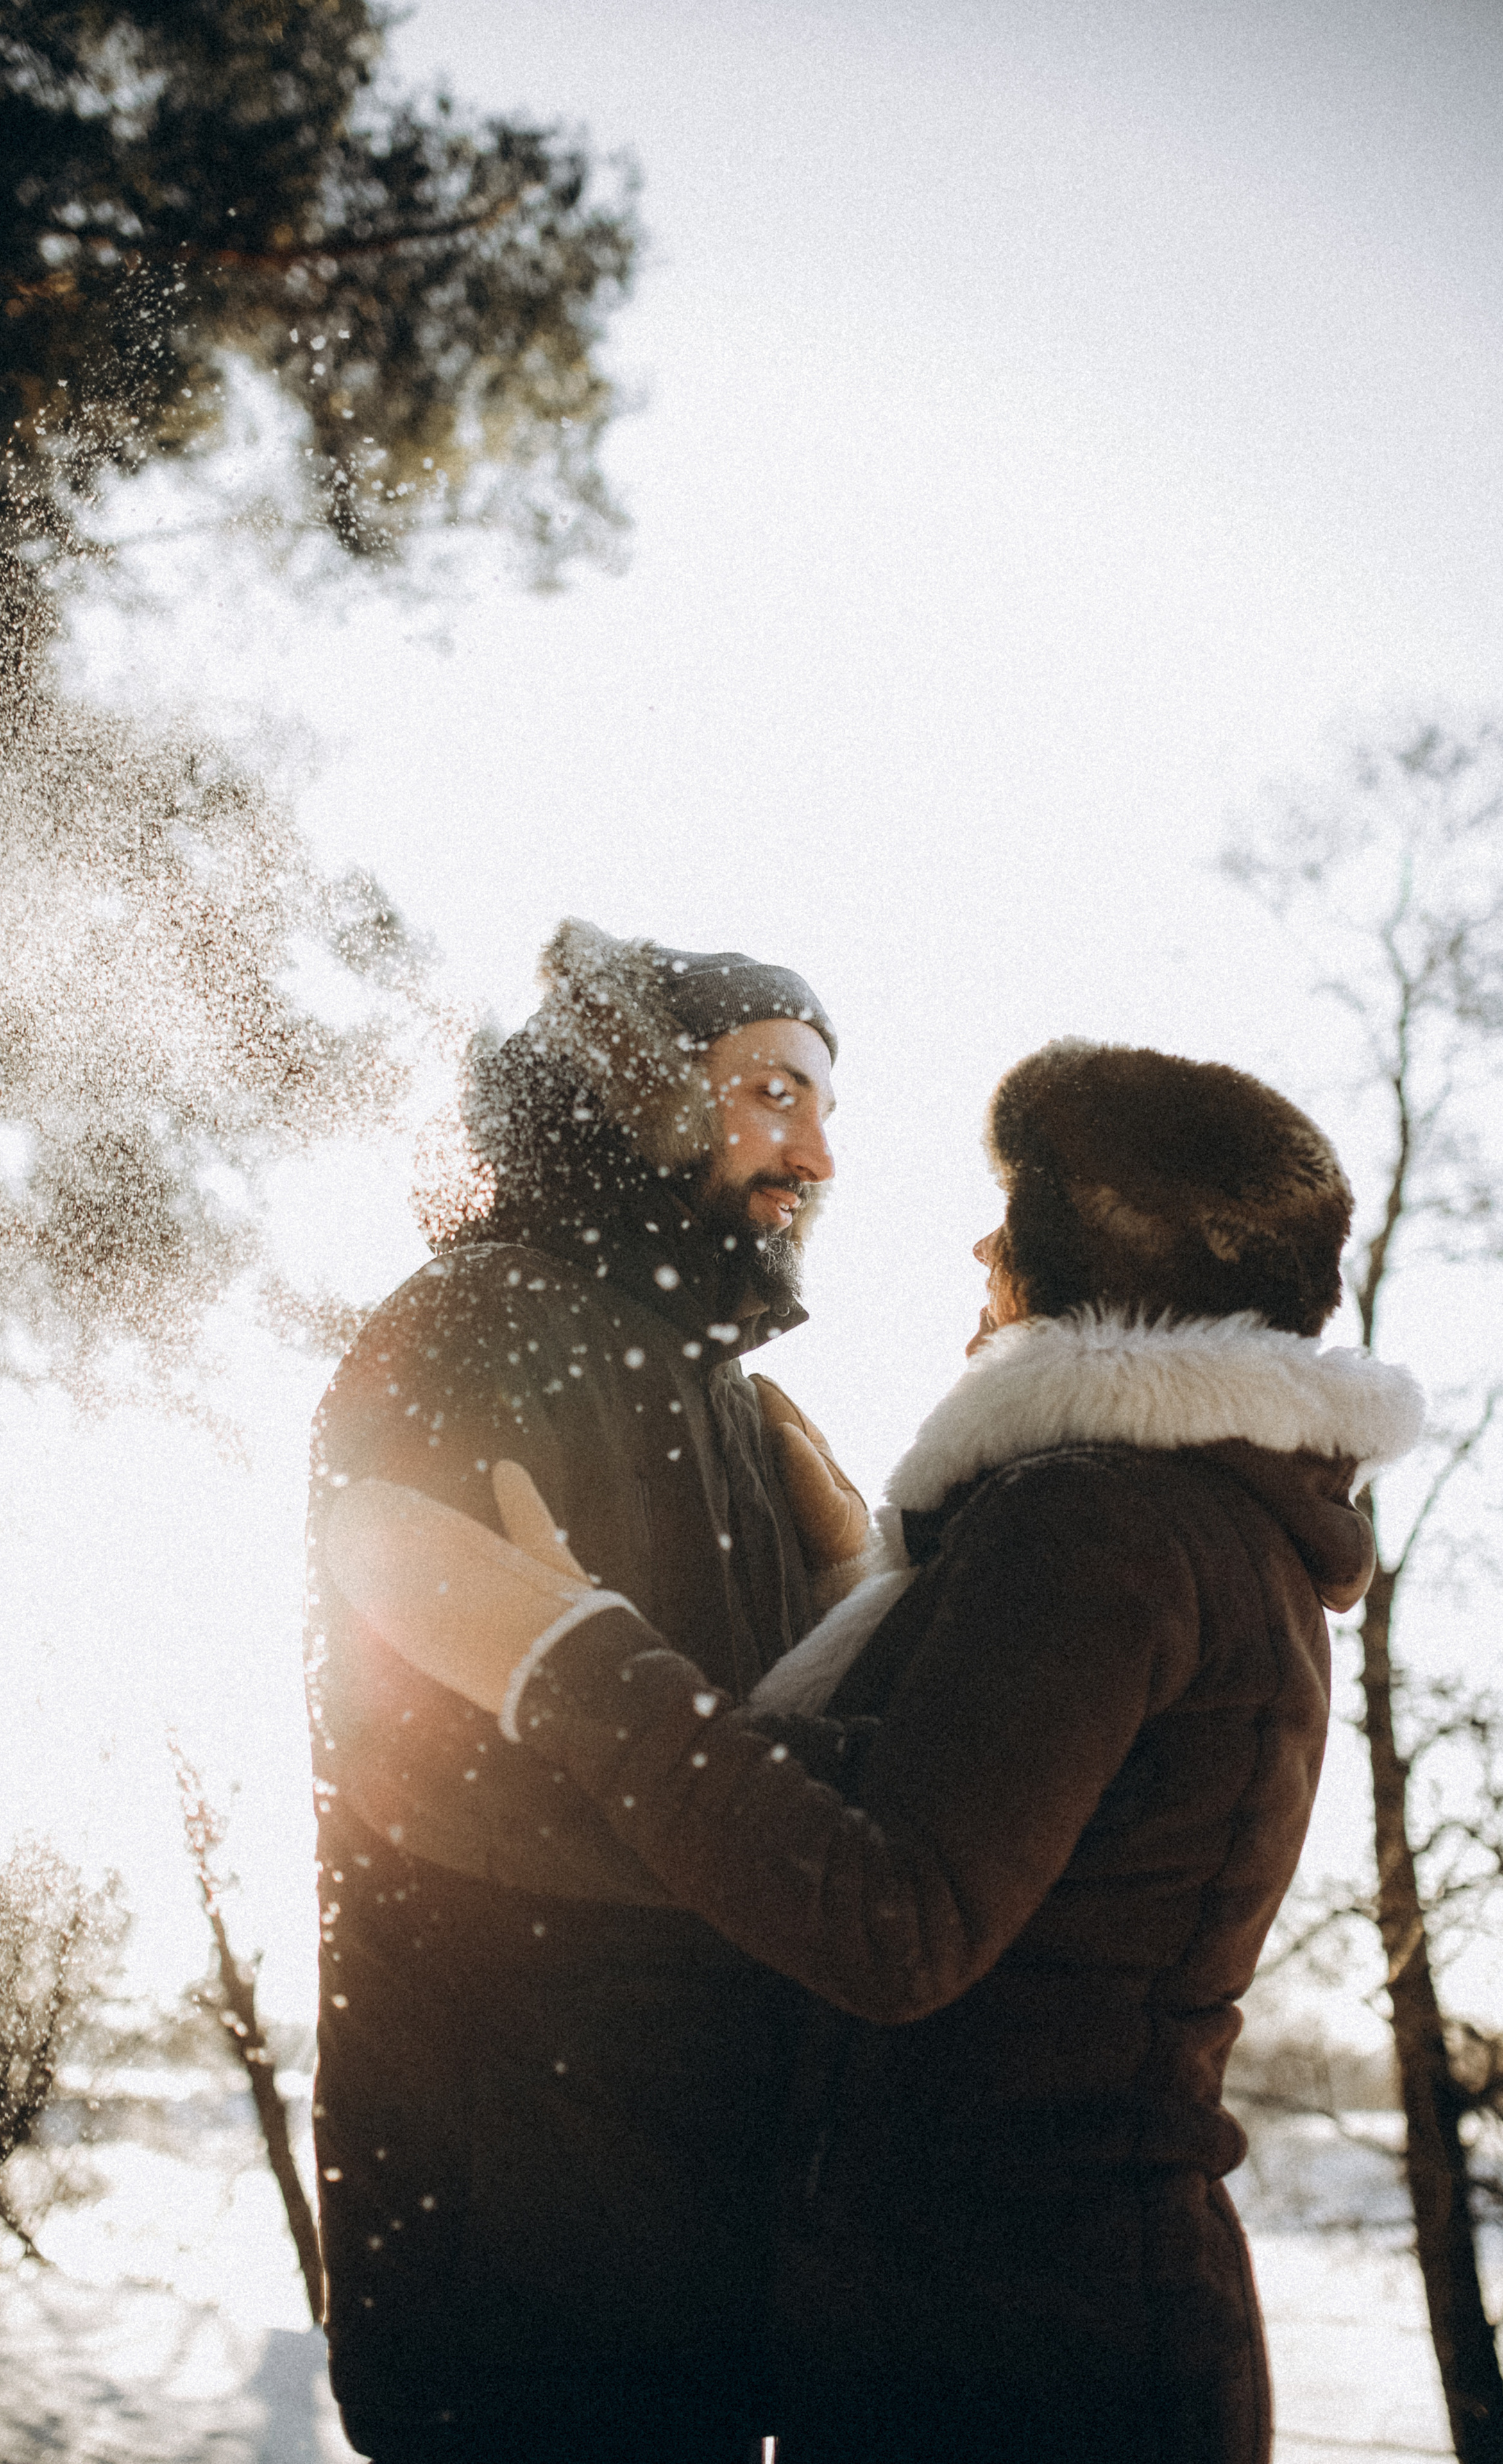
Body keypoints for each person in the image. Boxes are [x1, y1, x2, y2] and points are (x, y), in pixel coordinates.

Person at [327, 1036, 1425, 2464]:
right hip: (1041, 2332)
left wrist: (571, 1657)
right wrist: (863, 1595)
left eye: (1018, 1219)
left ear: (1099, 1270)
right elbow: (1005, 1830)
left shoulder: (1094, 1522)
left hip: (1014, 2369)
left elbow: (896, 1918)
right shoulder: (1205, 1525)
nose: (981, 1245)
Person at [305, 917, 867, 2463]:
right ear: (634, 1099)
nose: (814, 1150)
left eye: (827, 1106)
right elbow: (434, 1778)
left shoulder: (741, 1406)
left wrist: (862, 1601)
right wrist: (801, 1845)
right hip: (523, 2238)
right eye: (770, 1091)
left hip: (691, 2222)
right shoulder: (476, 1321)